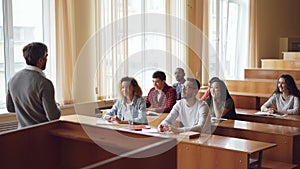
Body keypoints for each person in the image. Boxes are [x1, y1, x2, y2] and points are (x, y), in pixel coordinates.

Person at [6, 42, 61, 128]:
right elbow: (53, 116)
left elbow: (10, 108)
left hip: (21, 133)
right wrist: (57, 106)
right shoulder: (45, 83)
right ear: (40, 60)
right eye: (46, 56)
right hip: (41, 134)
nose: (47, 59)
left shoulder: (12, 79)